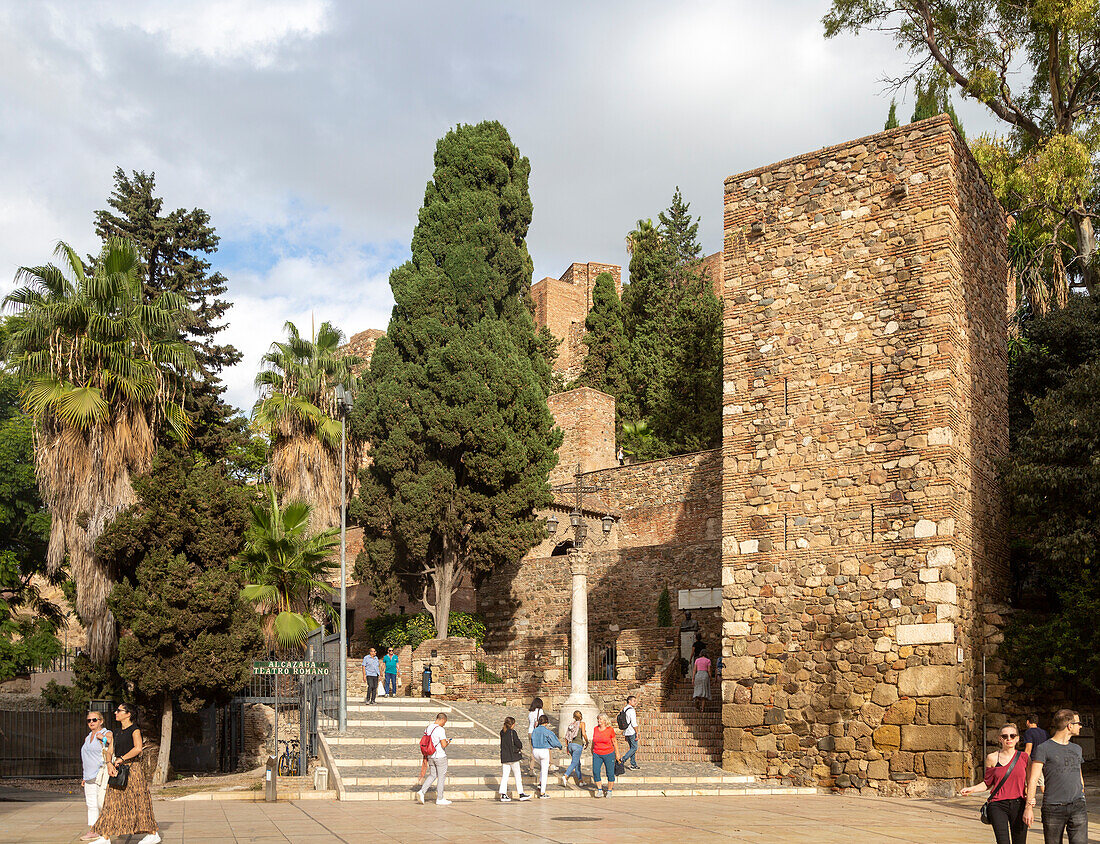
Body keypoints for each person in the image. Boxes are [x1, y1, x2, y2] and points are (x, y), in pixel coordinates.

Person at [88, 703, 160, 844]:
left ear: (128, 714)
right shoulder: (116, 732)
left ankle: (153, 833)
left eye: (119, 711)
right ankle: (105, 837)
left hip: (133, 771)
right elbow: (110, 750)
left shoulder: (135, 730)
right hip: (117, 770)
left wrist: (121, 759)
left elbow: (138, 748)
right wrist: (109, 763)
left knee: (139, 802)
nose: (116, 713)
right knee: (111, 803)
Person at [1024, 709, 1087, 843]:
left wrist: (1082, 795)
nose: (1080, 726)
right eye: (1078, 723)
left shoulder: (1077, 749)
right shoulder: (1043, 748)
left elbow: (1079, 774)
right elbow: (1033, 779)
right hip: (1053, 808)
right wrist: (1028, 807)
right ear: (1070, 726)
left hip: (1078, 806)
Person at [959, 722, 1029, 844]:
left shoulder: (1024, 757)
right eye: (1005, 736)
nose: (1009, 739)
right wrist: (972, 789)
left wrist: (1030, 801)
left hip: (1019, 804)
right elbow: (987, 783)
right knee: (1002, 841)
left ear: (1017, 738)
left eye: (1012, 736)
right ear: (999, 739)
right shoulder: (992, 758)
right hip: (997, 805)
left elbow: (1030, 782)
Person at [79, 711, 111, 840]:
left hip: (101, 774)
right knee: (91, 803)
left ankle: (107, 828)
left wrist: (102, 738)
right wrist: (84, 777)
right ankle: (93, 829)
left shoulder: (105, 732)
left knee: (101, 803)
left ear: (101, 721)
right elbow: (86, 757)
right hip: (89, 775)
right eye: (89, 720)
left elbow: (112, 741)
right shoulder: (88, 737)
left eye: (94, 720)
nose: (91, 722)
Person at [416, 713, 451, 806]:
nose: (444, 724)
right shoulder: (440, 729)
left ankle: (422, 791)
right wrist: (448, 741)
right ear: (442, 719)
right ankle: (440, 798)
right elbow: (443, 744)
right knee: (441, 777)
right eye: (444, 722)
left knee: (432, 775)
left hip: (430, 755)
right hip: (440, 756)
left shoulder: (429, 727)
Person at [498, 717, 532, 802]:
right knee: (517, 776)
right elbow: (518, 743)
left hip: (505, 758)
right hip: (513, 757)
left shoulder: (502, 732)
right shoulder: (512, 732)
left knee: (505, 776)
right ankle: (521, 793)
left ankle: (503, 794)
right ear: (512, 724)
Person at [530, 714, 563, 797]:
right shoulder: (547, 731)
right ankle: (542, 793)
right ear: (546, 723)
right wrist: (559, 746)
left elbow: (532, 741)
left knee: (542, 768)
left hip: (535, 751)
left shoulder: (535, 730)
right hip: (543, 751)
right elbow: (554, 740)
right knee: (544, 771)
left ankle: (540, 784)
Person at [591, 712, 619, 798]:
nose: (599, 720)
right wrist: (592, 749)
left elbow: (614, 741)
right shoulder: (595, 729)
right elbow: (594, 739)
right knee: (595, 771)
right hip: (597, 753)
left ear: (605, 720)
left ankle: (609, 790)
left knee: (610, 772)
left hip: (609, 753)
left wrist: (617, 753)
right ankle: (599, 790)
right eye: (598, 719)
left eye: (601, 719)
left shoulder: (610, 729)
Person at [561, 710, 588, 788]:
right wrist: (587, 741)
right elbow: (583, 733)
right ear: (581, 716)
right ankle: (565, 776)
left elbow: (566, 736)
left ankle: (580, 780)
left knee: (577, 763)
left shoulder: (571, 725)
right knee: (574, 762)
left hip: (570, 745)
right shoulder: (582, 724)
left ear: (574, 717)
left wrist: (567, 747)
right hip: (577, 745)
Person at [619, 696, 640, 770]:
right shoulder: (631, 710)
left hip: (626, 731)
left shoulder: (624, 709)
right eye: (634, 701)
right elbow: (634, 723)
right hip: (631, 731)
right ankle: (623, 759)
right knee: (634, 747)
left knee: (632, 748)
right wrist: (637, 733)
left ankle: (633, 764)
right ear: (629, 701)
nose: (635, 702)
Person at [527, 697, 544, 776]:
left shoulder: (530, 712)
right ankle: (547, 765)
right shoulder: (540, 711)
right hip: (537, 733)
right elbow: (542, 721)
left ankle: (531, 768)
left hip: (530, 732)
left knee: (532, 751)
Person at [692, 648, 713, 712]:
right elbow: (709, 670)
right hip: (705, 675)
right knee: (704, 692)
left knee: (698, 690)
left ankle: (697, 700)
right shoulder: (708, 660)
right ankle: (702, 709)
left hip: (698, 675)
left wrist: (693, 678)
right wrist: (711, 678)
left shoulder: (697, 660)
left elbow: (694, 670)